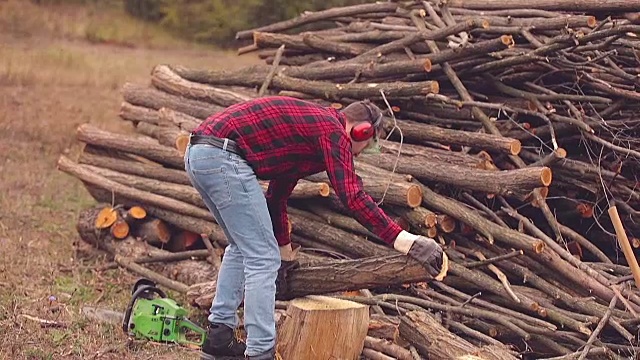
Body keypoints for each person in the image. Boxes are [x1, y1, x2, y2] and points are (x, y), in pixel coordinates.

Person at [183, 96, 448, 360]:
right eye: (368, 143)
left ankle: (218, 338)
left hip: (199, 153)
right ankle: (260, 351)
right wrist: (405, 241)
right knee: (262, 257)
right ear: (361, 130)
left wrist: (285, 256)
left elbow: (276, 197)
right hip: (223, 157)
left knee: (242, 248)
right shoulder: (332, 132)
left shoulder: (309, 136)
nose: (362, 151)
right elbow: (353, 197)